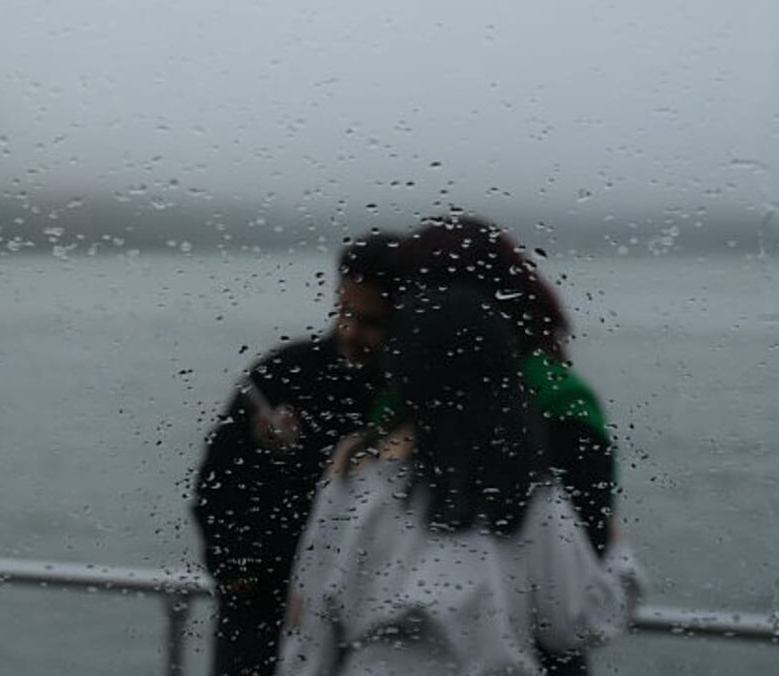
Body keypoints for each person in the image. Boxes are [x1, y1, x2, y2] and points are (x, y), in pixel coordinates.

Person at [276, 287, 642, 676]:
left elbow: (309, 626)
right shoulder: (527, 488)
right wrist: (619, 553)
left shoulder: (354, 478)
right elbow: (578, 622)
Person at [191, 232, 401, 676]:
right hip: (257, 618)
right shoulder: (282, 374)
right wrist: (238, 578)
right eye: (344, 311)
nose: (349, 330)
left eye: (370, 321)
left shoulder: (410, 404)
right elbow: (216, 483)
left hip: (365, 627)